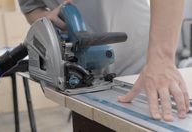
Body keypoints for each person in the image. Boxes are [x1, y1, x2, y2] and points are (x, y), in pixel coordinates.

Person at [18, 0, 190, 121]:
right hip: (84, 75)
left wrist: (161, 58)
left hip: (141, 65)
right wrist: (48, 17)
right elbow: (31, 7)